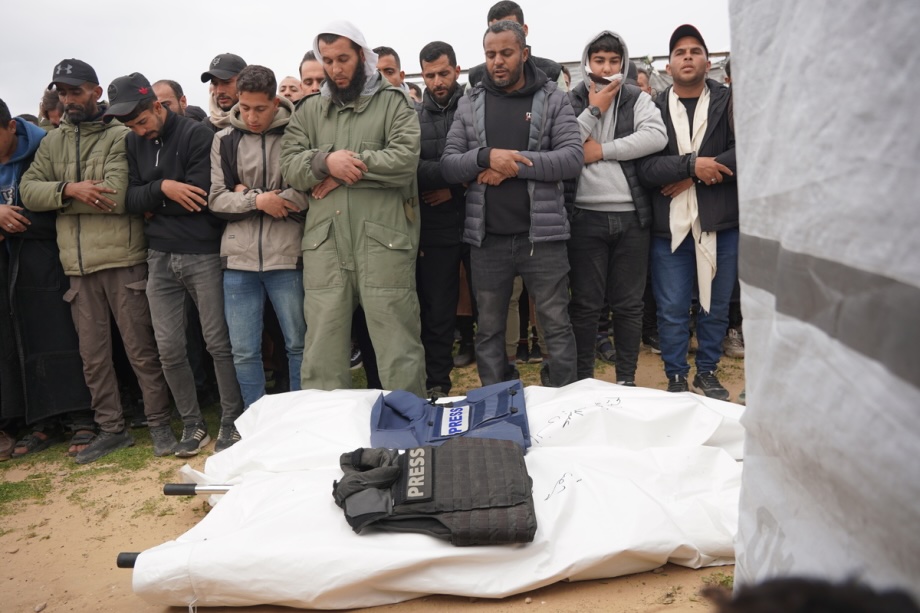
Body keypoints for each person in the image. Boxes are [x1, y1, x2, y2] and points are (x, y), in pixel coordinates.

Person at [20, 59, 173, 464]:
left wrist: (59, 201)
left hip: (123, 259)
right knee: (93, 357)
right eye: (63, 93)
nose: (68, 99)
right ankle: (111, 429)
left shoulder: (121, 135)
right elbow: (27, 191)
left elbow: (115, 196)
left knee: (141, 350)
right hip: (77, 266)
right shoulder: (52, 141)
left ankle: (159, 424)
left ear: (96, 91)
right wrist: (71, 189)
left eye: (75, 91)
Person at [280, 21, 426, 396]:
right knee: (323, 350)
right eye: (327, 60)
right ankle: (327, 433)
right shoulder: (309, 111)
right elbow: (291, 167)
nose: (335, 68)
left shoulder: (395, 102)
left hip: (383, 242)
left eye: (343, 58)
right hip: (325, 245)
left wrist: (347, 170)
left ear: (362, 56)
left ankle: (408, 428)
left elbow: (404, 160)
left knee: (397, 344)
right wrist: (325, 163)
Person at [105, 72, 243, 455]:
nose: (139, 130)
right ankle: (193, 423)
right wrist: (165, 188)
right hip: (159, 257)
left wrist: (153, 202)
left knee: (218, 343)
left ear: (157, 106)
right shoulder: (134, 142)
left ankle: (232, 420)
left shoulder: (197, 133)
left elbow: (199, 197)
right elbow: (129, 200)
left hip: (202, 253)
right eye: (132, 126)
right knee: (168, 349)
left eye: (142, 121)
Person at [441, 20, 583, 387]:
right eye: (490, 54)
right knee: (489, 330)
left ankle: (563, 402)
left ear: (525, 52)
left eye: (506, 53)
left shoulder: (553, 97)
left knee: (556, 326)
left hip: (544, 238)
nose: (498, 61)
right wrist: (487, 157)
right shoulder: (470, 103)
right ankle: (498, 402)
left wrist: (513, 166)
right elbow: (449, 164)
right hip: (488, 240)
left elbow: (571, 158)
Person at [637, 25, 738, 400]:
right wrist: (692, 166)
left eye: (695, 51)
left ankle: (707, 371)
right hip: (670, 228)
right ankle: (677, 376)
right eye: (680, 52)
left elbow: (745, 153)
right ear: (669, 64)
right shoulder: (654, 107)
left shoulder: (728, 102)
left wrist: (690, 176)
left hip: (720, 221)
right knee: (673, 307)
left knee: (717, 304)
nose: (688, 57)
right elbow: (646, 168)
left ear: (707, 62)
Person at [565, 31, 667, 385]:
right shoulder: (572, 98)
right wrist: (595, 110)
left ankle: (626, 378)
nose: (607, 68)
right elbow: (565, 146)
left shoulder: (637, 98)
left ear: (623, 63)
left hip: (631, 216)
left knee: (628, 304)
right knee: (586, 305)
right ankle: (583, 380)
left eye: (613, 61)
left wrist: (601, 150)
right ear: (587, 63)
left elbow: (656, 136)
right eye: (599, 61)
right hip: (584, 216)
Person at [209, 65, 308, 413]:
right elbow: (216, 200)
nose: (251, 116)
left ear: (275, 101)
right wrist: (259, 200)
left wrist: (256, 197)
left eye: (260, 109)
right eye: (245, 107)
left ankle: (299, 416)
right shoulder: (224, 139)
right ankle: (256, 421)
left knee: (298, 343)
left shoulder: (297, 132)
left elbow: (309, 190)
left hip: (288, 255)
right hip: (237, 260)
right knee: (244, 350)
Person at [0, 98, 94, 460]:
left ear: (10, 126)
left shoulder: (44, 145)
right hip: (10, 266)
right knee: (23, 343)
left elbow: (55, 202)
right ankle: (41, 421)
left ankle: (81, 417)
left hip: (50, 254)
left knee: (62, 337)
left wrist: (11, 222)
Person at [415, 41, 467, 397]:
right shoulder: (413, 117)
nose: (437, 81)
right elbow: (410, 169)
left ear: (456, 70)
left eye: (443, 73)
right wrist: (459, 175)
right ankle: (437, 382)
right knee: (438, 310)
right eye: (430, 75)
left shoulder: (476, 108)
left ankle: (498, 379)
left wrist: (456, 189)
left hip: (482, 220)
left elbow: (490, 159)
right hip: (436, 229)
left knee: (491, 309)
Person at [466, 1, 568, 92]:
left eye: (511, 28)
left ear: (525, 30)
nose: (502, 36)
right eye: (495, 30)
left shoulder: (552, 72)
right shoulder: (475, 78)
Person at [201, 53, 247, 132]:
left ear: (244, 82)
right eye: (215, 84)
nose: (219, 91)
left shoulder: (261, 122)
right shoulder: (204, 127)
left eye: (226, 82)